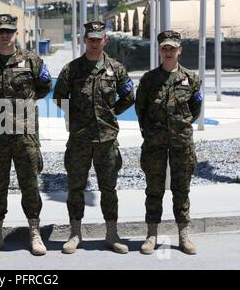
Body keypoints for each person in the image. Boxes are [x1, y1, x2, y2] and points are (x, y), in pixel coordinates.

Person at [0, 14, 52, 256]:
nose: (5, 35)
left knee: (30, 185)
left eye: (9, 31)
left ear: (17, 33)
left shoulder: (31, 60)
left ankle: (34, 233)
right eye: (1, 31)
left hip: (25, 135)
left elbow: (44, 87)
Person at [53, 21, 135, 254]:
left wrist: (111, 113)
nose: (94, 42)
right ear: (84, 39)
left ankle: (112, 234)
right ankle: (75, 234)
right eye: (91, 38)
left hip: (107, 140)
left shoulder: (116, 69)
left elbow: (129, 96)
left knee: (108, 189)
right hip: (79, 140)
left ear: (105, 40)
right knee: (75, 188)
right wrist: (77, 116)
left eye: (98, 38)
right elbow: (59, 97)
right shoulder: (72, 69)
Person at [135, 30, 202, 255]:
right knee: (154, 190)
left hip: (182, 144)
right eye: (165, 48)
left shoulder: (191, 79)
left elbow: (194, 109)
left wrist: (178, 129)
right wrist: (152, 133)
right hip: (155, 145)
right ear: (159, 50)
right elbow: (140, 110)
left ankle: (184, 236)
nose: (168, 51)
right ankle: (151, 235)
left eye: (172, 48)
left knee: (181, 190)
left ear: (179, 50)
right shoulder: (149, 80)